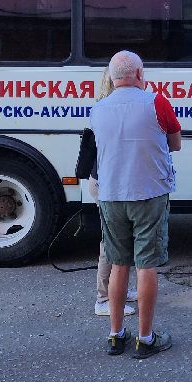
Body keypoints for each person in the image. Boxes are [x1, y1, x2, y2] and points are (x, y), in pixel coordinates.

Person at [91, 50, 182, 358]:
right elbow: (175, 143)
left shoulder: (98, 109)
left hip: (111, 196)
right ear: (140, 75)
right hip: (148, 193)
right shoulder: (156, 102)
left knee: (119, 264)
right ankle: (146, 338)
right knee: (146, 265)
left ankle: (116, 336)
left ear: (112, 77)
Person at [75, 68, 138, 318]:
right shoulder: (112, 110)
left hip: (104, 181)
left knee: (120, 239)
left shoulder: (103, 107)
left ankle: (118, 289)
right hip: (106, 183)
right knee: (110, 243)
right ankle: (104, 298)